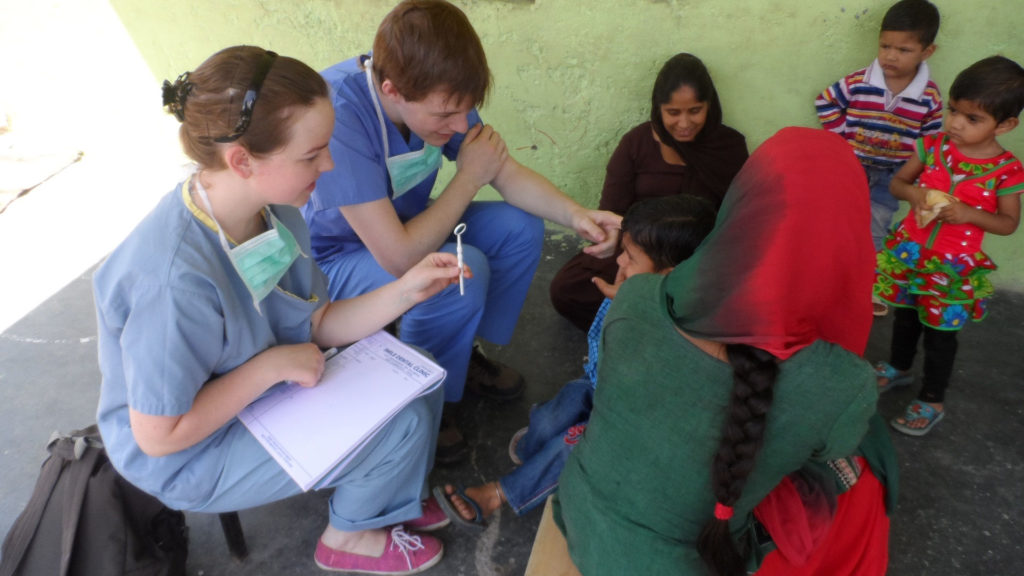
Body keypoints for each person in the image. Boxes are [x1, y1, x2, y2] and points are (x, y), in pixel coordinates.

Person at [94, 46, 467, 575]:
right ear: (243, 161)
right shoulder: (173, 280)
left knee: (420, 374)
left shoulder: (276, 212)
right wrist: (270, 367)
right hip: (189, 451)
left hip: (257, 389)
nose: (330, 165)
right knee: (398, 426)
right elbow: (158, 435)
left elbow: (315, 323)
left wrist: (405, 291)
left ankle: (391, 497)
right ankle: (348, 536)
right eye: (312, 155)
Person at [554, 127, 894, 576]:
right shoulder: (841, 381)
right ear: (851, 243)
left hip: (580, 521)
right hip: (680, 566)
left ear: (736, 214)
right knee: (864, 476)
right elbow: (821, 446)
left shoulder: (638, 299)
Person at [302, 0, 621, 463]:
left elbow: (503, 172)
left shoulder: (434, 89)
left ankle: (461, 355)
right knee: (457, 269)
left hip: (408, 227)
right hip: (336, 259)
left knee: (518, 227)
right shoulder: (340, 115)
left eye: (466, 112)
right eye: (446, 117)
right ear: (391, 90)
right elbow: (398, 257)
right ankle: (429, 387)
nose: (459, 125)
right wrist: (468, 176)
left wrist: (577, 215)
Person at [432, 195, 717, 528]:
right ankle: (537, 456)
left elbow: (637, 388)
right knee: (560, 409)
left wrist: (627, 310)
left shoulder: (686, 327)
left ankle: (497, 494)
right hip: (605, 386)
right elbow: (599, 364)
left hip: (637, 420)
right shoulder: (639, 290)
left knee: (575, 442)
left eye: (631, 257)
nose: (620, 261)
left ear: (666, 275)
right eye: (624, 250)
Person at [874, 56, 1024, 437]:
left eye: (972, 119)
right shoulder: (931, 146)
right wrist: (917, 194)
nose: (955, 123)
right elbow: (897, 185)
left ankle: (932, 398)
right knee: (905, 317)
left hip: (952, 268)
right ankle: (899, 367)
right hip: (912, 254)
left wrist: (968, 214)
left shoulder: (1006, 171)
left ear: (1005, 125)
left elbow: (1007, 224)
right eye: (953, 110)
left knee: (941, 336)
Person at [550, 53, 748, 331]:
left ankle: (644, 322)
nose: (684, 123)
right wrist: (627, 254)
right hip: (635, 248)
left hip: (694, 256)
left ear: (709, 106)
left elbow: (736, 217)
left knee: (736, 297)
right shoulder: (636, 144)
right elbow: (612, 211)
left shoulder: (729, 147)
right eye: (673, 112)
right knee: (568, 289)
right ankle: (664, 325)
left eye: (694, 110)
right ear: (659, 108)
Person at [815, 0, 942, 316]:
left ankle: (867, 286)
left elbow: (932, 141)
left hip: (892, 176)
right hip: (851, 167)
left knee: (875, 228)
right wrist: (843, 141)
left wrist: (917, 175)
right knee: (837, 221)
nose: (890, 55)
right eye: (885, 46)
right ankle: (827, 279)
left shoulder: (929, 97)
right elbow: (826, 102)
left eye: (903, 49)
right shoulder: (859, 82)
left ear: (927, 52)